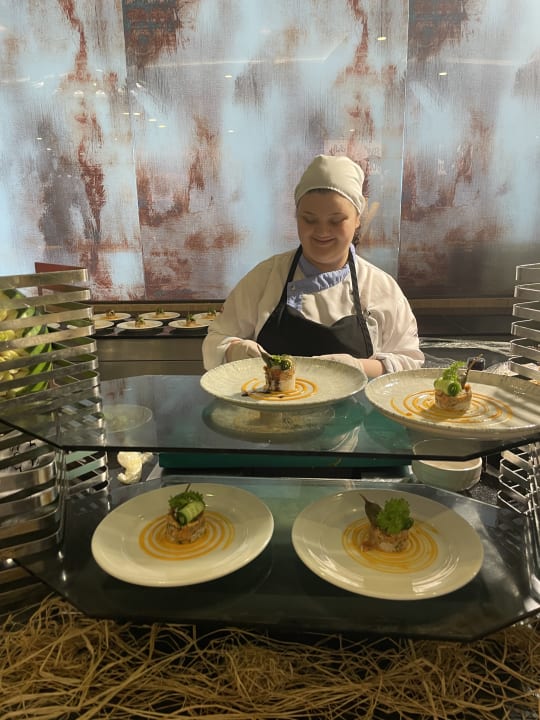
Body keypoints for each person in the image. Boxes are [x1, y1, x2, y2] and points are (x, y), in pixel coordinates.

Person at [202, 154, 423, 376]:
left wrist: (359, 367)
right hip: (273, 399)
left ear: (357, 219)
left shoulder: (382, 288)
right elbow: (215, 340)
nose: (322, 231)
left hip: (357, 400)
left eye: (336, 220)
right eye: (309, 219)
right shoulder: (264, 278)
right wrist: (234, 350)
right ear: (297, 216)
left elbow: (409, 361)